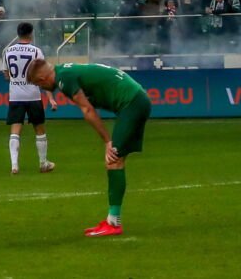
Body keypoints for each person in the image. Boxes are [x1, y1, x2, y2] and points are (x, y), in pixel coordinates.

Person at [25, 58, 150, 237]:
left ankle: (114, 223)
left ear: (42, 79)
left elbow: (88, 110)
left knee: (113, 160)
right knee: (116, 160)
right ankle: (112, 220)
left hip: (132, 103)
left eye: (38, 84)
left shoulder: (64, 79)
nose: (42, 88)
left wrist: (108, 141)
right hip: (135, 101)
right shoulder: (65, 71)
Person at [2, 22, 55, 175]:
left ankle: (14, 165)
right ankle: (43, 163)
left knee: (15, 129)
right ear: (31, 33)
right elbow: (44, 76)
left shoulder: (8, 51)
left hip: (16, 95)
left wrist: (17, 79)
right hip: (33, 95)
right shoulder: (36, 51)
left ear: (18, 34)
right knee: (39, 128)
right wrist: (50, 98)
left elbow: (6, 75)